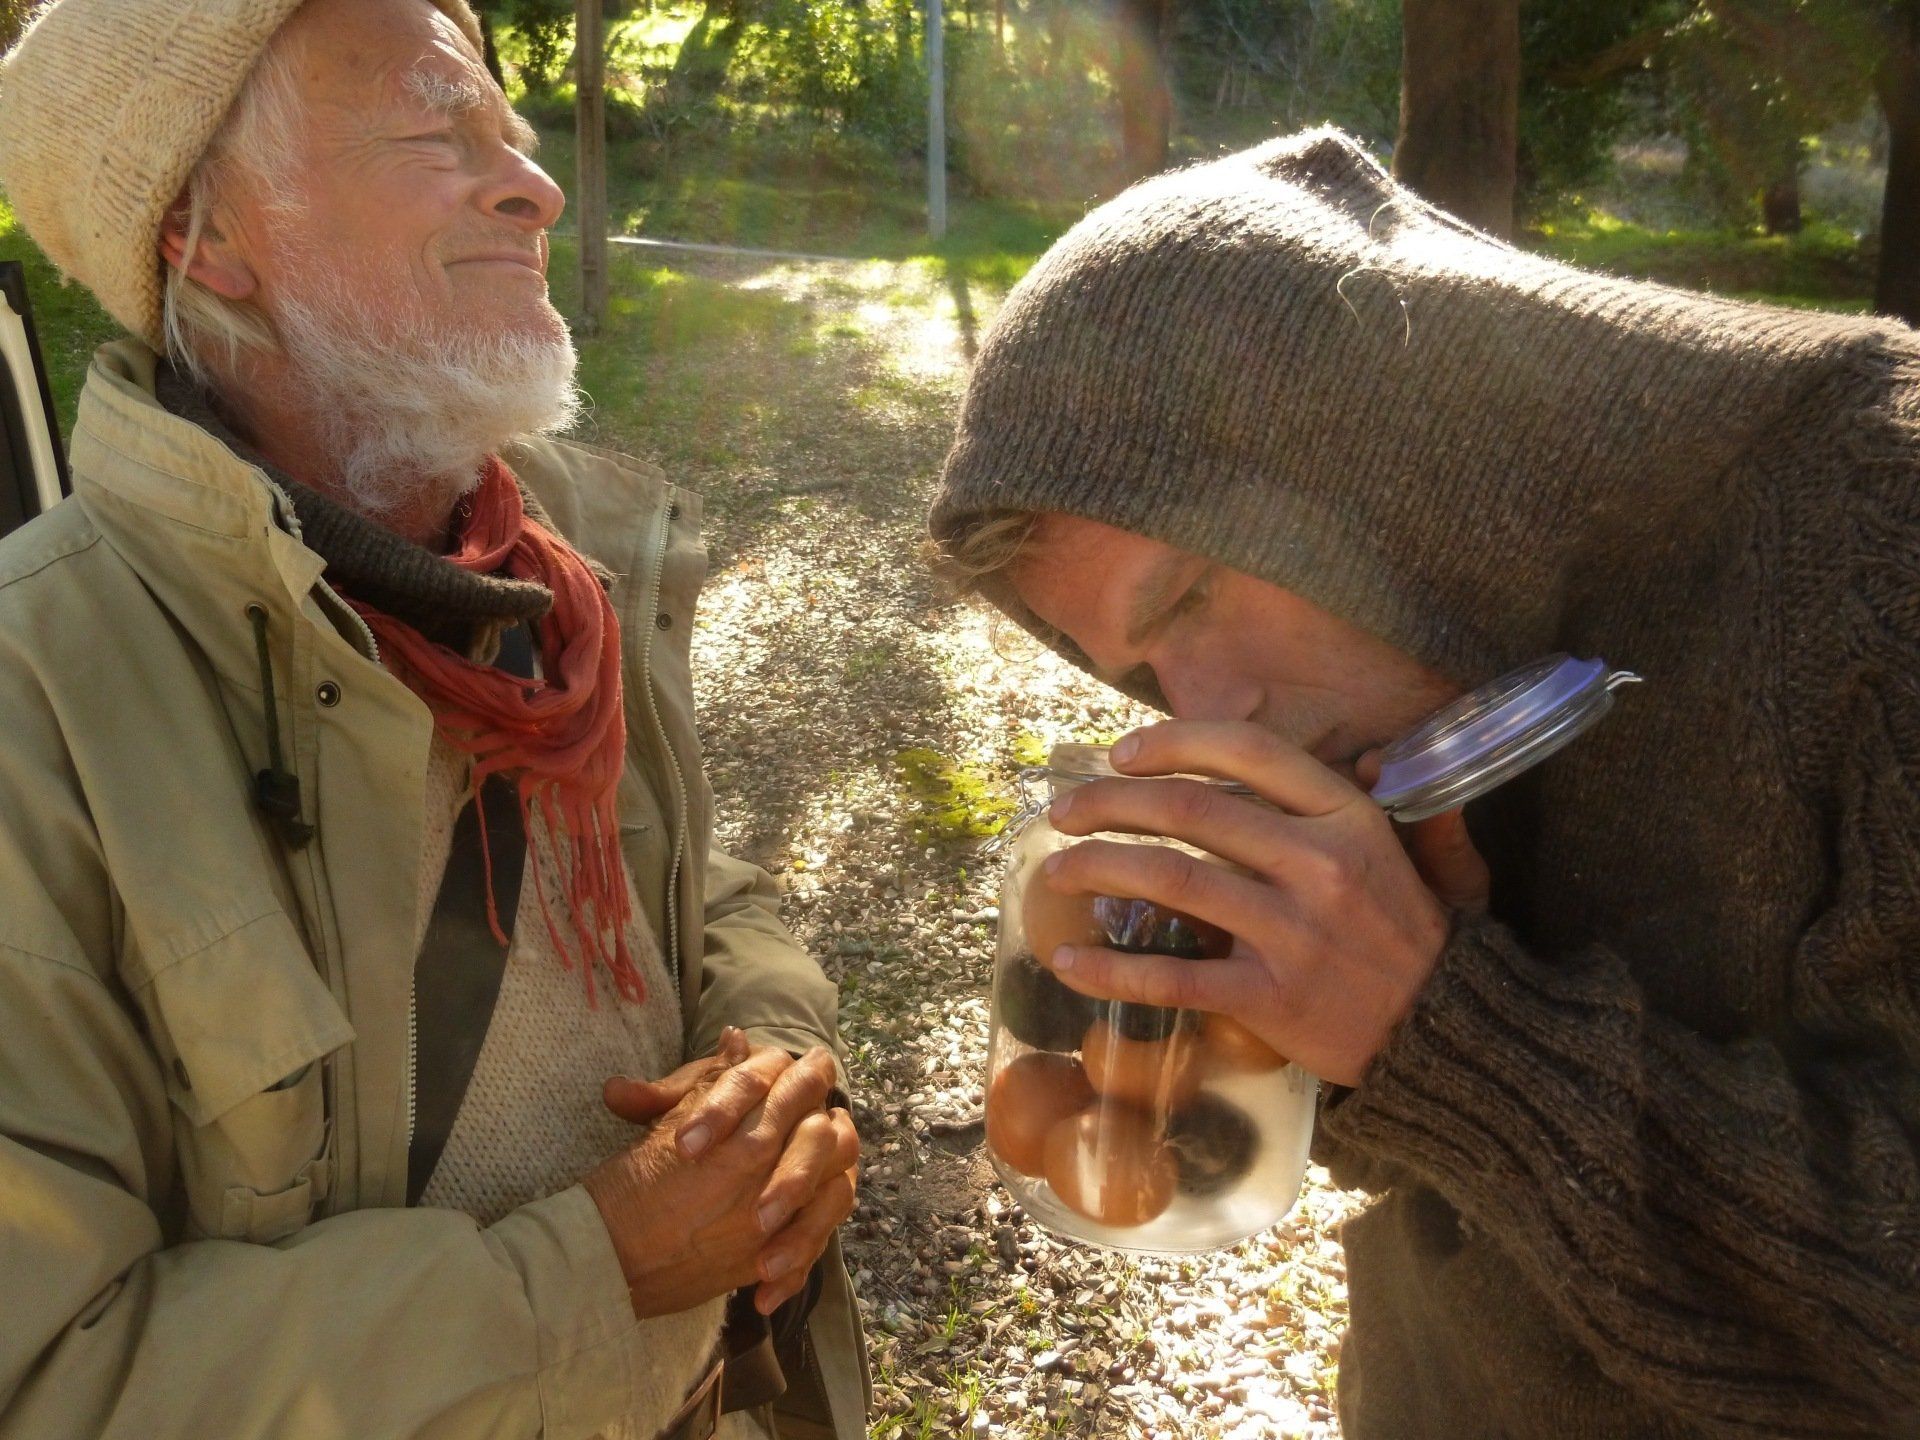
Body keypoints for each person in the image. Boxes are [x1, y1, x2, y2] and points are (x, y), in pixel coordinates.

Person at [928, 128, 1920, 1438]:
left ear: (1369, 448)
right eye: (1150, 666)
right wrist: (1326, 1043)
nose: (1214, 711)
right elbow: (1463, 1183)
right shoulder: (1419, 670)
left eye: (1195, 594)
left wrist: (1449, 1032)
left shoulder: (1882, 552)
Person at [0, 2, 867, 1437]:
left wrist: (771, 1051)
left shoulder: (567, 567)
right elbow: (53, 1379)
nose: (531, 184)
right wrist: (592, 1275)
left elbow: (693, 878)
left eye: (511, 135)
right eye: (431, 132)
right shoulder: (37, 702)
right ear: (210, 241)